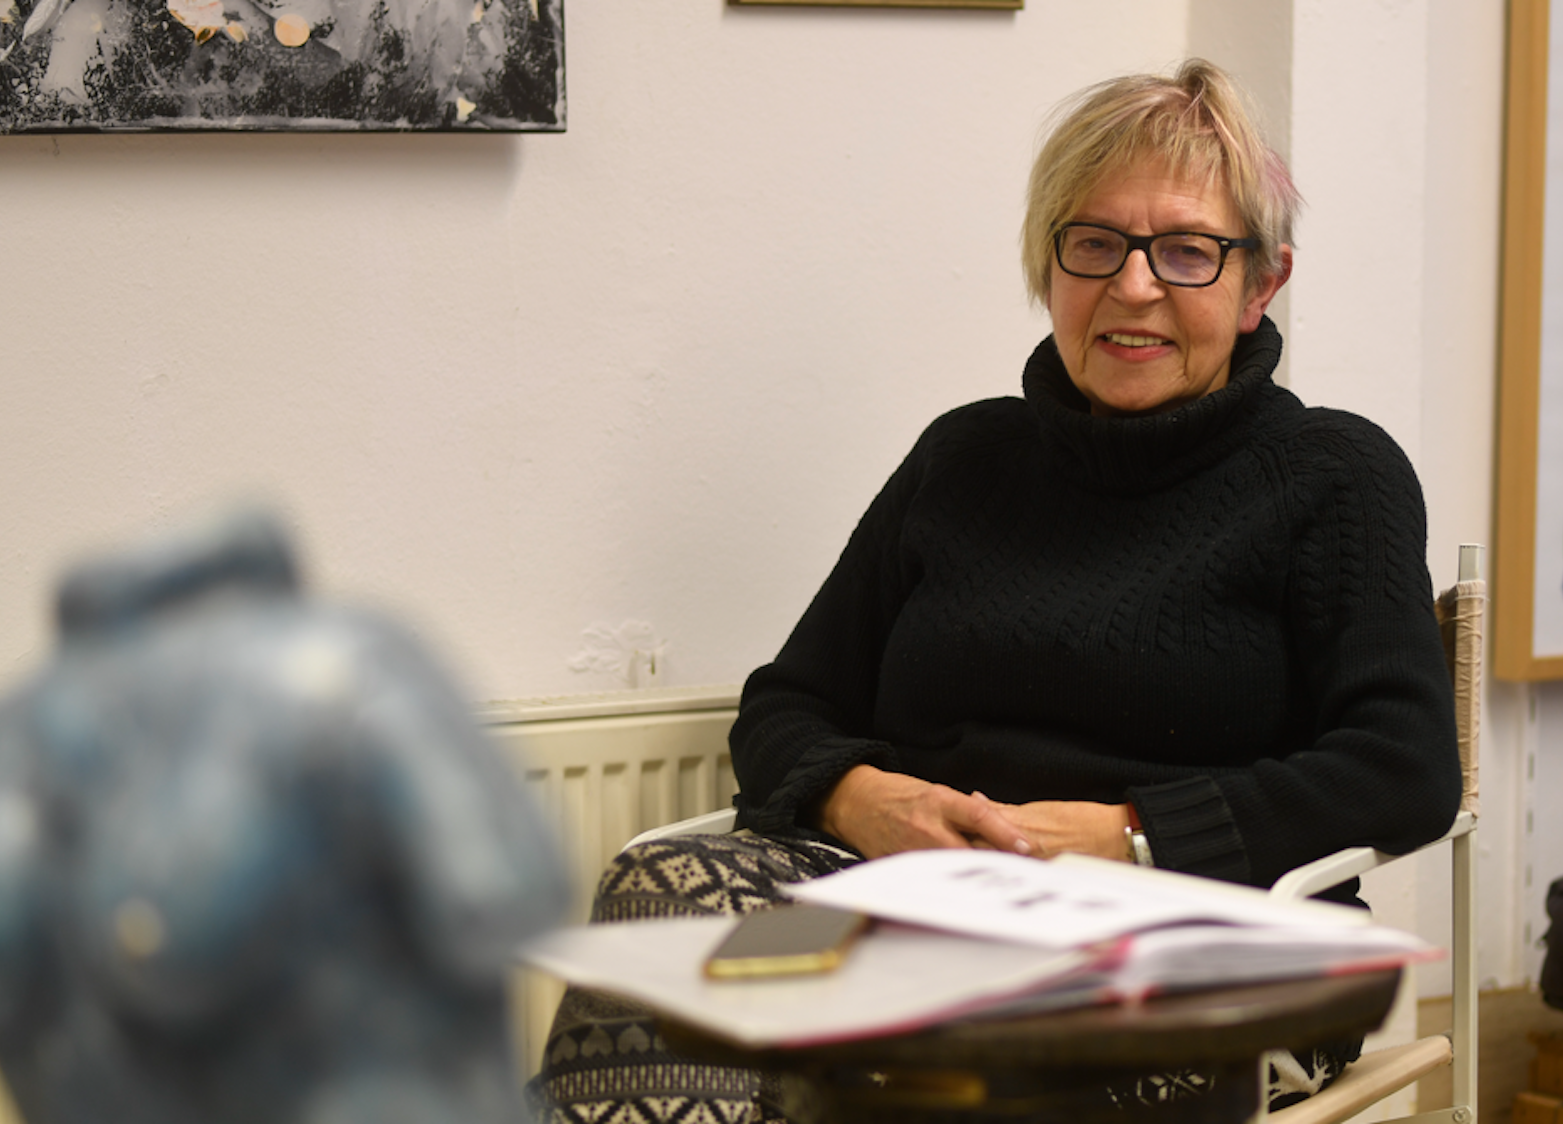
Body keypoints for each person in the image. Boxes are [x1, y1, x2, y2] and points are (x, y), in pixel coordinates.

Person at [535, 59, 1460, 1124]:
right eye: (1095, 242)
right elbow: (788, 702)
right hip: (898, 914)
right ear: (1048, 260)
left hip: (1186, 943)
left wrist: (1130, 833)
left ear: (1261, 283)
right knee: (667, 908)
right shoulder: (962, 456)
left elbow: (1401, 767)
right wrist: (857, 798)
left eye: (1187, 251)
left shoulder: (1335, 473)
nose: (1133, 285)